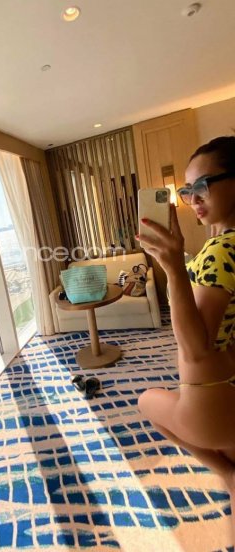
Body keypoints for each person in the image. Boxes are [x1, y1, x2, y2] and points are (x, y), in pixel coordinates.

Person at [137, 136, 235, 539]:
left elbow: (196, 349)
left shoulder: (220, 251)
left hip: (210, 399)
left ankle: (225, 473)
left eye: (204, 185)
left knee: (146, 402)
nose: (193, 198)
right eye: (187, 189)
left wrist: (175, 269)